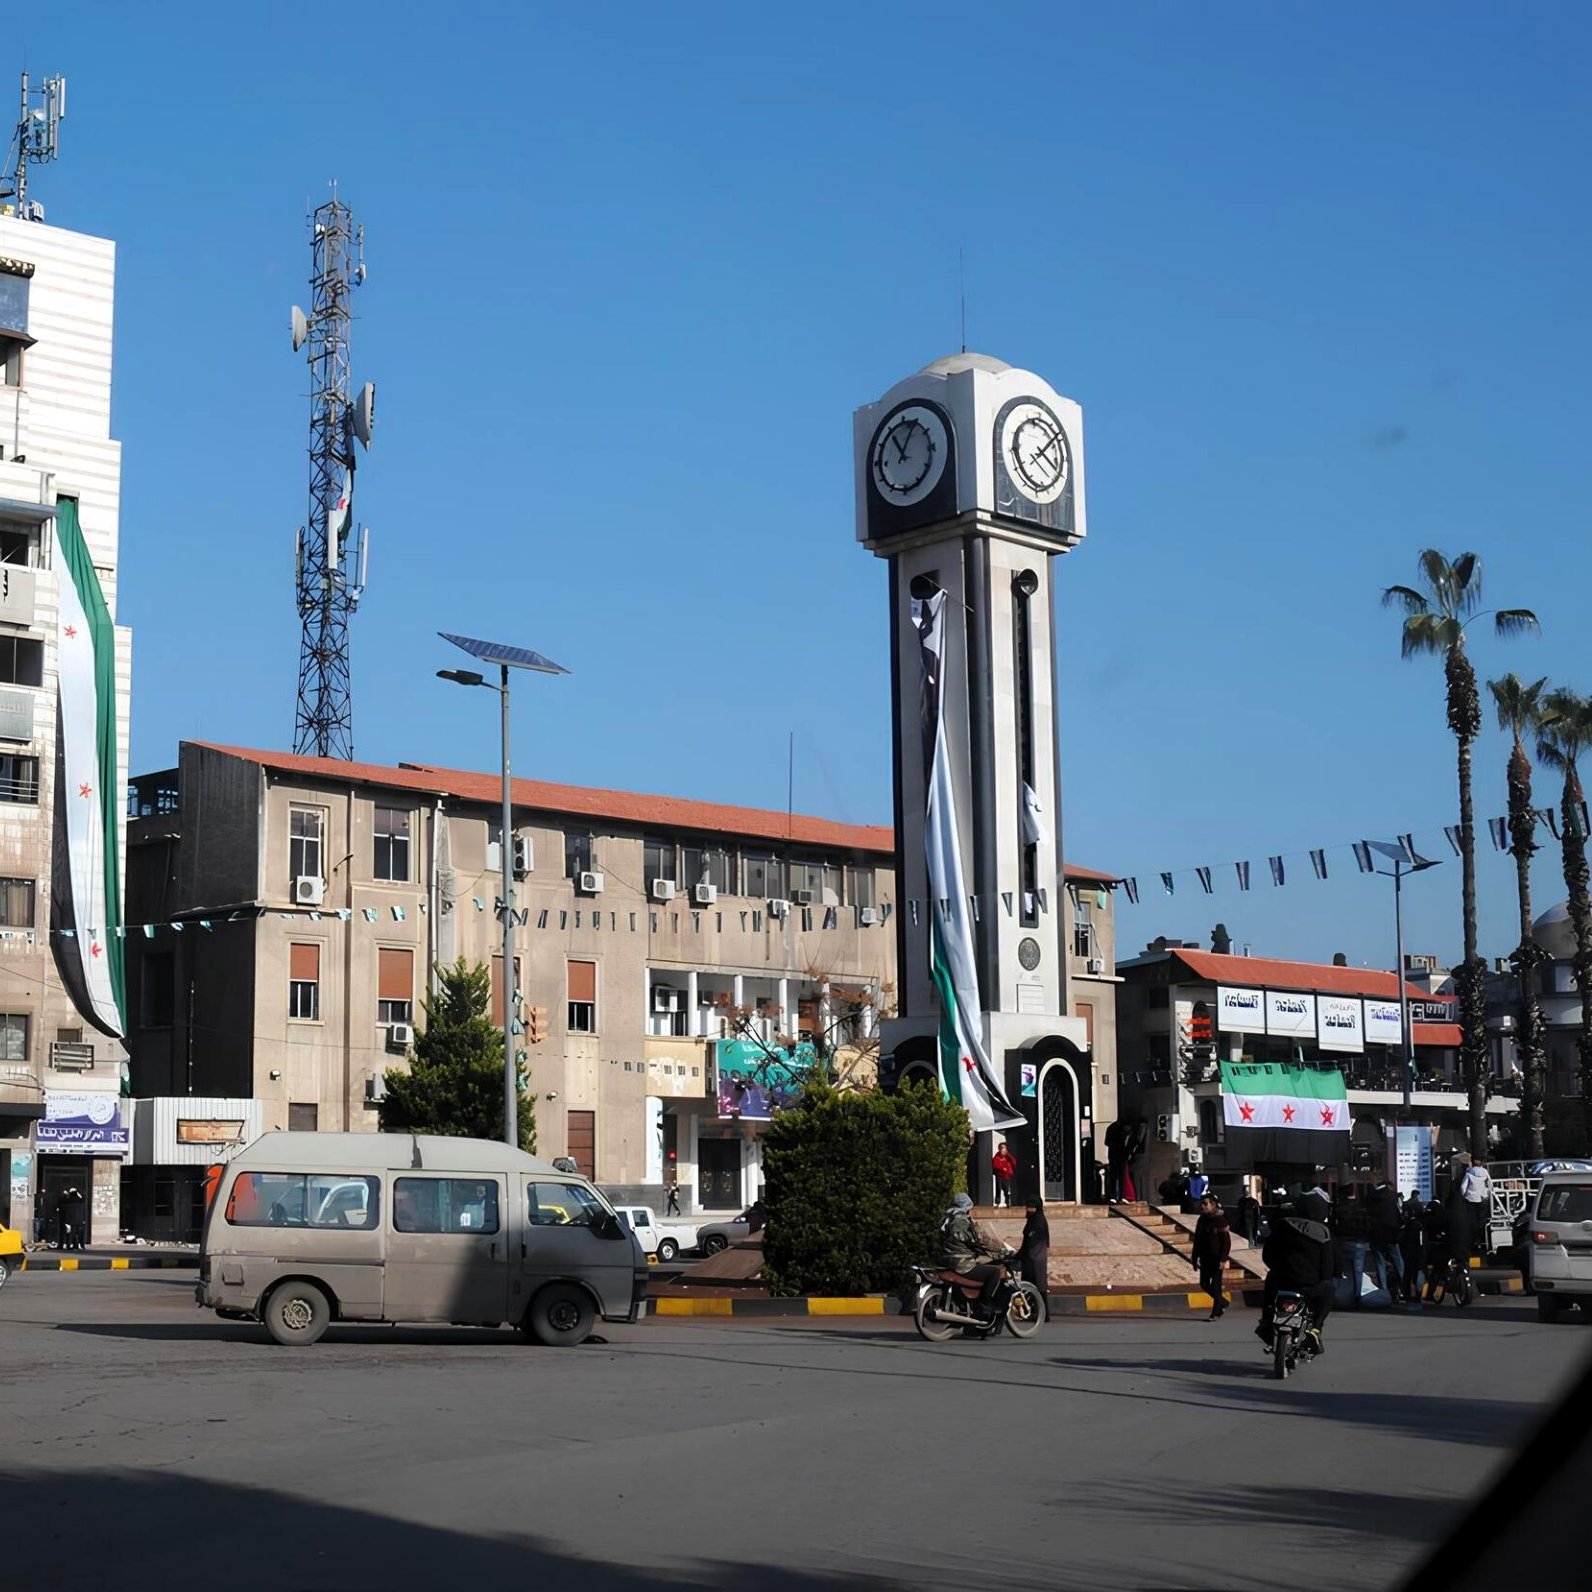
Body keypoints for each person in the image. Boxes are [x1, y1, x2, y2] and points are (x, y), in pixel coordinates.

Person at [1258, 1191, 1336, 1351]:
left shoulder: (1282, 1225)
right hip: (1308, 1286)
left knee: (1269, 1283)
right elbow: (1327, 1268)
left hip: (1280, 1282)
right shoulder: (1324, 1233)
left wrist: (1278, 1268)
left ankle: (1266, 1322)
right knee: (1328, 1289)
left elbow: (1268, 1254)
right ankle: (1315, 1329)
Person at [940, 1192, 1008, 1308]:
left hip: (947, 1260)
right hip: (962, 1264)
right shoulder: (961, 1221)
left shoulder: (945, 1219)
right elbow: (979, 1240)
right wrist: (1000, 1248)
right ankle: (985, 1304)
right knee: (995, 1272)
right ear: (966, 1208)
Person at [1191, 1192, 1231, 1320]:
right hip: (1205, 1257)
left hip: (1217, 1258)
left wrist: (1223, 1259)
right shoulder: (1202, 1220)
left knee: (1215, 1285)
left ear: (1213, 1205)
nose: (1202, 1206)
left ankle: (1215, 1312)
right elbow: (1197, 1239)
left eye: (1205, 1204)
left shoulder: (1220, 1220)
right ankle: (1223, 1303)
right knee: (1204, 1284)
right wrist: (1194, 1257)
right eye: (1202, 1204)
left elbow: (1226, 1242)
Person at [1364, 1179, 1405, 1304]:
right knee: (1398, 1261)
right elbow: (1400, 1215)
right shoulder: (1393, 1196)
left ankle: (1384, 1290)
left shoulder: (1369, 1198)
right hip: (1392, 1235)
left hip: (1376, 1235)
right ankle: (1403, 1286)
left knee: (1380, 1263)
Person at [1333, 1186, 1372, 1307]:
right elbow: (1367, 1225)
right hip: (1358, 1241)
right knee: (1358, 1270)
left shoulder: (1338, 1208)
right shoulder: (1361, 1208)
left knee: (1339, 1269)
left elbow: (1333, 1225)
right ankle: (1357, 1295)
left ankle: (1338, 1295)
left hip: (1343, 1240)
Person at [1018, 1198, 1050, 1320]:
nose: (1029, 1209)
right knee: (1032, 1285)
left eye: (1031, 1207)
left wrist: (1021, 1253)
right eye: (1028, 1206)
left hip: (1035, 1258)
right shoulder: (1033, 1219)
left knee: (1037, 1286)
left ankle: (1042, 1314)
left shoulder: (1038, 1220)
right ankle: (1034, 1312)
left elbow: (1032, 1240)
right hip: (1032, 1257)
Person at [1461, 1156, 1493, 1256]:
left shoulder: (1470, 1172)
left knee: (1471, 1221)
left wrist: (1464, 1195)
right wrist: (1486, 1194)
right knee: (1481, 1220)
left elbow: (1463, 1187)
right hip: (1481, 1199)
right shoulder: (1485, 1172)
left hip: (1470, 1199)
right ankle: (1480, 1241)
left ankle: (1472, 1241)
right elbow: (1490, 1185)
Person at [1399, 1192, 1427, 1304]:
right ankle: (1417, 1293)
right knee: (1416, 1273)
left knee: (1407, 1273)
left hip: (1408, 1252)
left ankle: (1406, 1293)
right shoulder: (1419, 1226)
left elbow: (1402, 1239)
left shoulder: (1406, 1227)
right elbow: (1421, 1242)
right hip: (1417, 1252)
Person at [1104, 1118, 1127, 1203]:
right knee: (1119, 1176)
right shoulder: (1121, 1129)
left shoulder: (1111, 1127)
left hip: (1113, 1154)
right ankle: (1120, 1196)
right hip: (1118, 1154)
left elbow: (1106, 1142)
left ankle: (1113, 1195)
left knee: (1114, 1175)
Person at [61, 1186, 87, 1252]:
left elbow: (63, 1208)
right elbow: (83, 1197)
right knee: (80, 1234)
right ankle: (81, 1245)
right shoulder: (80, 1201)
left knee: (70, 1233)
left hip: (70, 1220)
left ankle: (70, 1245)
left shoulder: (68, 1200)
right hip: (79, 1220)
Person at [992, 1142, 1017, 1208]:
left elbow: (1014, 1162)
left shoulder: (1008, 1157)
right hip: (999, 1176)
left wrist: (1008, 1155)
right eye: (1002, 1148)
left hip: (1006, 1176)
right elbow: (995, 1165)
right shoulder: (997, 1157)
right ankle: (997, 1202)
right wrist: (1003, 1169)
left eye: (1005, 1148)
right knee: (998, 1189)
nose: (1003, 1150)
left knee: (1006, 1189)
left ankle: (1008, 1201)